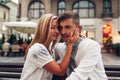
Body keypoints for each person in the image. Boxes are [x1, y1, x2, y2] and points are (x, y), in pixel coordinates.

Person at [20, 13, 78, 80]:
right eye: (52, 27)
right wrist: (70, 45)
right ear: (43, 28)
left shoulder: (50, 48)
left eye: (58, 28)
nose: (57, 31)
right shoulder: (37, 49)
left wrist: (78, 39)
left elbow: (61, 45)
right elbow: (61, 71)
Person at [55, 11, 108, 80]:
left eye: (67, 27)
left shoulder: (91, 46)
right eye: (60, 28)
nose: (63, 32)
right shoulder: (60, 48)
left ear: (79, 28)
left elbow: (79, 76)